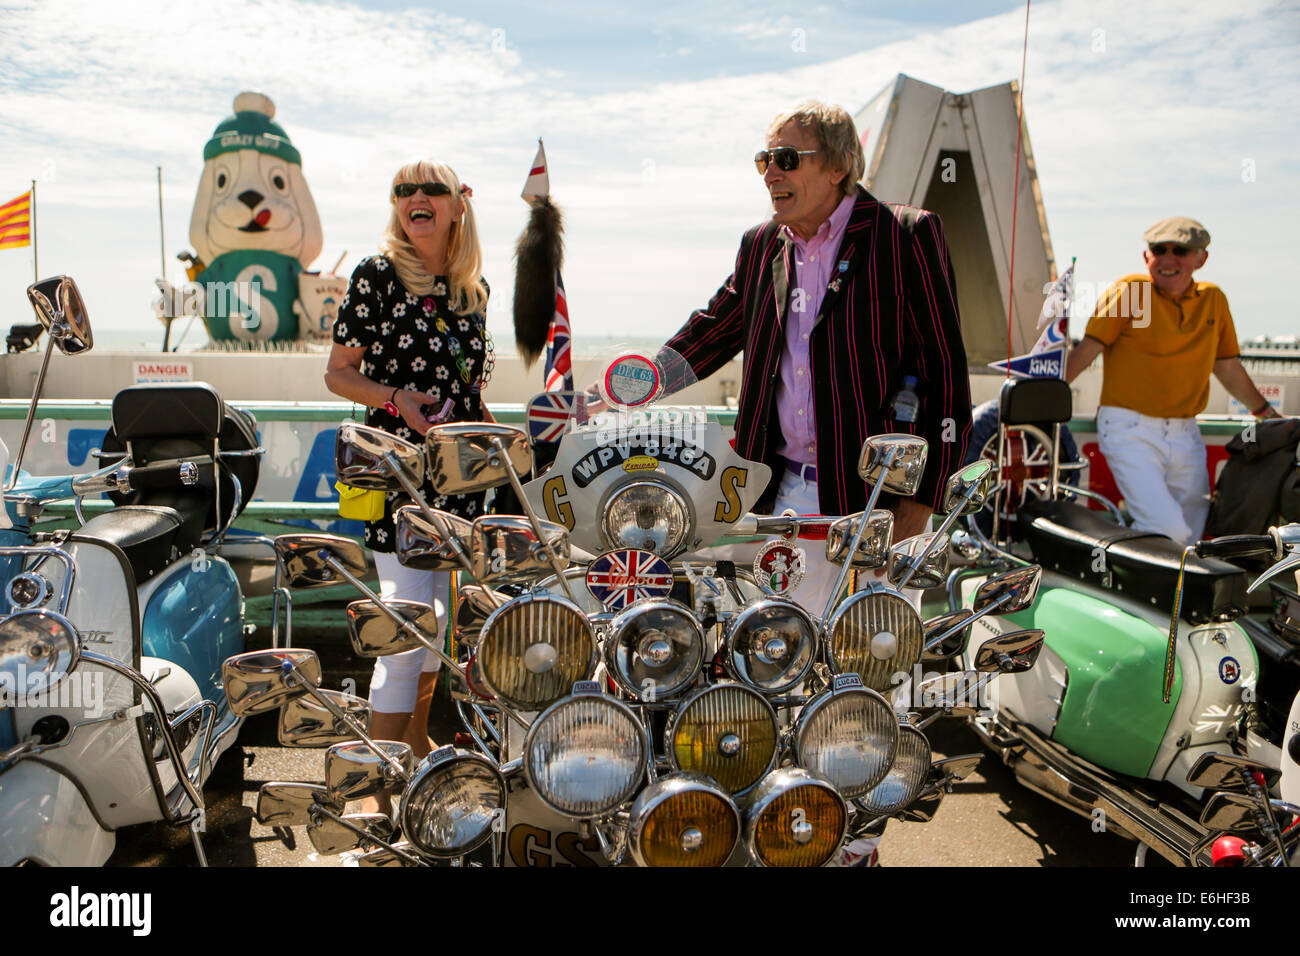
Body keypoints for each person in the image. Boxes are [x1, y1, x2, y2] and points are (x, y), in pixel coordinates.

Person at [663, 101, 972, 613]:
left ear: (838, 166)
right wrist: (632, 383)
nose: (771, 174)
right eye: (765, 160)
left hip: (876, 500)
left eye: (787, 158)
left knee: (873, 663)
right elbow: (713, 329)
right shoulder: (761, 246)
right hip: (780, 495)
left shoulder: (905, 235)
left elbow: (944, 372)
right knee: (780, 660)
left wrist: (918, 505)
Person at [324, 158, 494, 791]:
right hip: (397, 472)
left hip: (465, 479)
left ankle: (417, 744)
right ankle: (364, 793)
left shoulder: (473, 288)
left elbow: (468, 390)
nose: (415, 198)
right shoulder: (376, 277)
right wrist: (397, 400)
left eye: (431, 190)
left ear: (457, 205)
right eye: (404, 190)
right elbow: (338, 373)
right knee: (404, 628)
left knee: (438, 627)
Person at [1063, 217, 1280, 545]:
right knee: (1169, 531)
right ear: (1146, 256)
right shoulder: (1132, 291)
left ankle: (1157, 594)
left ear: (1201, 259)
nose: (1167, 258)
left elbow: (1228, 368)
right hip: (1129, 431)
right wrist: (1038, 397)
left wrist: (1267, 415)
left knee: (1191, 539)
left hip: (1186, 434)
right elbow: (1085, 352)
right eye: (1158, 249)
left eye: (1180, 250)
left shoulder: (1214, 300)